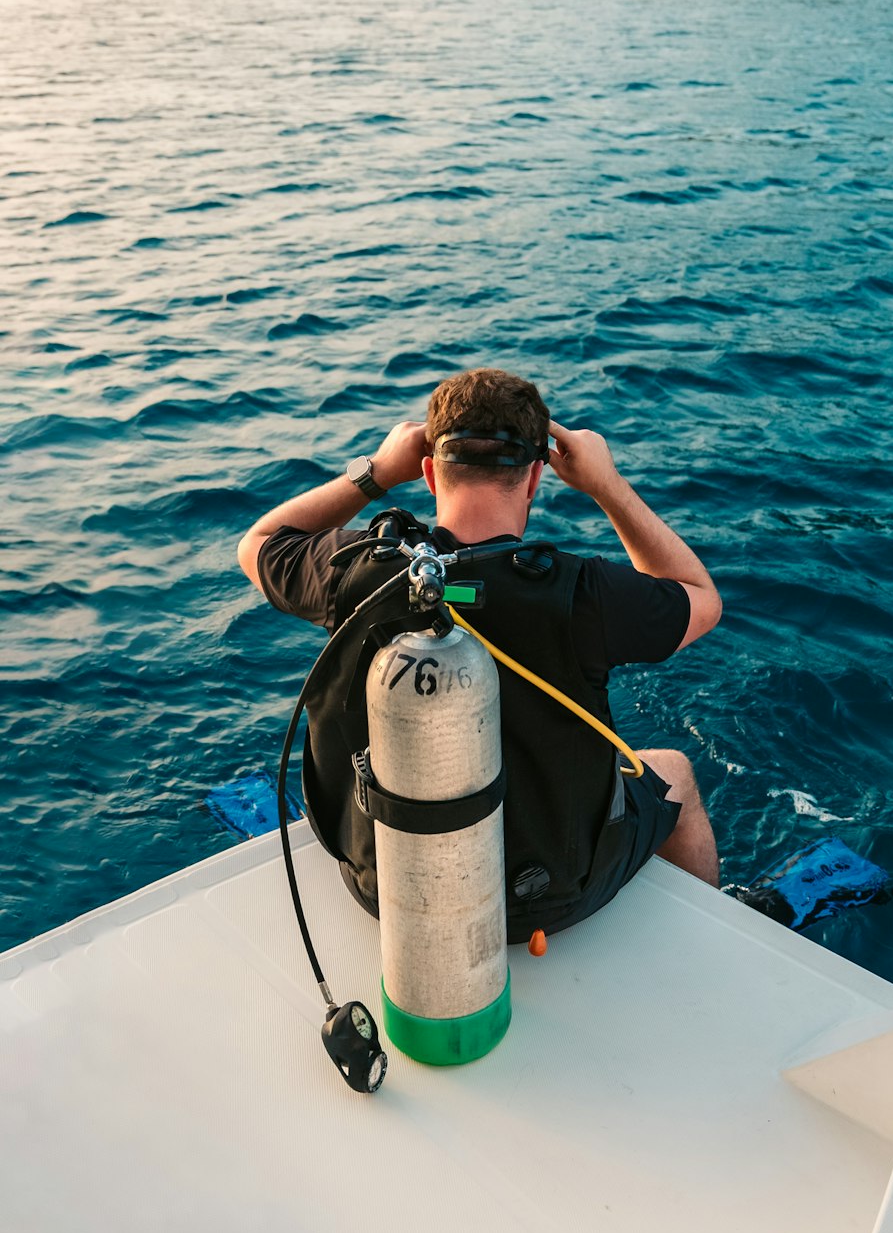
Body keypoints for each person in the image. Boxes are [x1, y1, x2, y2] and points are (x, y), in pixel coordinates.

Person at [237, 368, 722, 942]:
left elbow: (258, 544)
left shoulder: (363, 571)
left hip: (385, 891)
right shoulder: (581, 594)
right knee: (675, 773)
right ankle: (716, 937)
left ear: (427, 472)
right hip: (549, 899)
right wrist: (606, 485)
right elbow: (702, 600)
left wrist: (374, 474)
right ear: (536, 478)